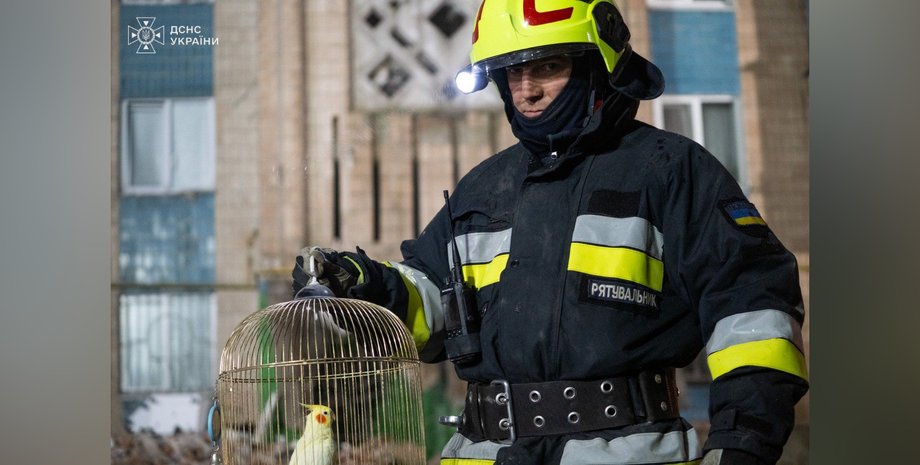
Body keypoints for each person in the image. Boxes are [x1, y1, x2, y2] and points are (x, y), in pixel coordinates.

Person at [292, 1, 808, 464]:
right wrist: (361, 283)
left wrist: (742, 445)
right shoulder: (482, 187)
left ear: (596, 66)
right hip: (484, 452)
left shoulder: (670, 171)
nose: (527, 90)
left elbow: (753, 314)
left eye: (548, 66)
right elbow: (430, 304)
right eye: (511, 73)